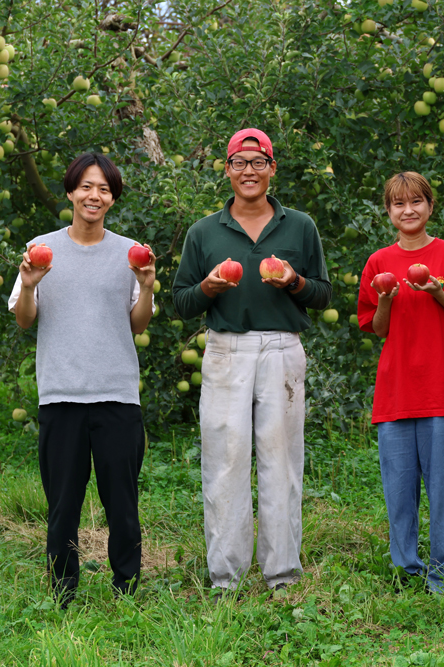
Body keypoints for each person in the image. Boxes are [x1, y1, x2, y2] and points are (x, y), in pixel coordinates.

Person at [172, 128, 332, 595]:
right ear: (226, 170)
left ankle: (282, 574)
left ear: (272, 170)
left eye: (258, 162)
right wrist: (209, 288)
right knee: (225, 462)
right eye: (239, 163)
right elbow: (182, 301)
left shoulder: (299, 226)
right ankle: (226, 577)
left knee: (281, 462)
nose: (249, 171)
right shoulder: (204, 231)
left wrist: (294, 282)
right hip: (227, 349)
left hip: (282, 349)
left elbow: (322, 294)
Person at [8, 152, 156, 604]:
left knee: (123, 505)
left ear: (112, 199)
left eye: (105, 189)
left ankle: (126, 589)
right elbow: (23, 321)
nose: (95, 196)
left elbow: (139, 325)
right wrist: (31, 285)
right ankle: (62, 592)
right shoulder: (41, 249)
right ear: (71, 192)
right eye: (87, 187)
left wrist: (147, 286)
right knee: (62, 508)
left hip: (116, 397)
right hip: (61, 397)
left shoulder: (130, 252)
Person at [356, 171, 444, 593]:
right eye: (398, 204)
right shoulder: (378, 263)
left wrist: (435, 292)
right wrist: (387, 297)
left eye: (415, 202)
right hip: (395, 391)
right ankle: (407, 571)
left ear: (430, 206)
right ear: (388, 211)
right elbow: (377, 328)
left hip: (442, 389)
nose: (407, 210)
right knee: (398, 492)